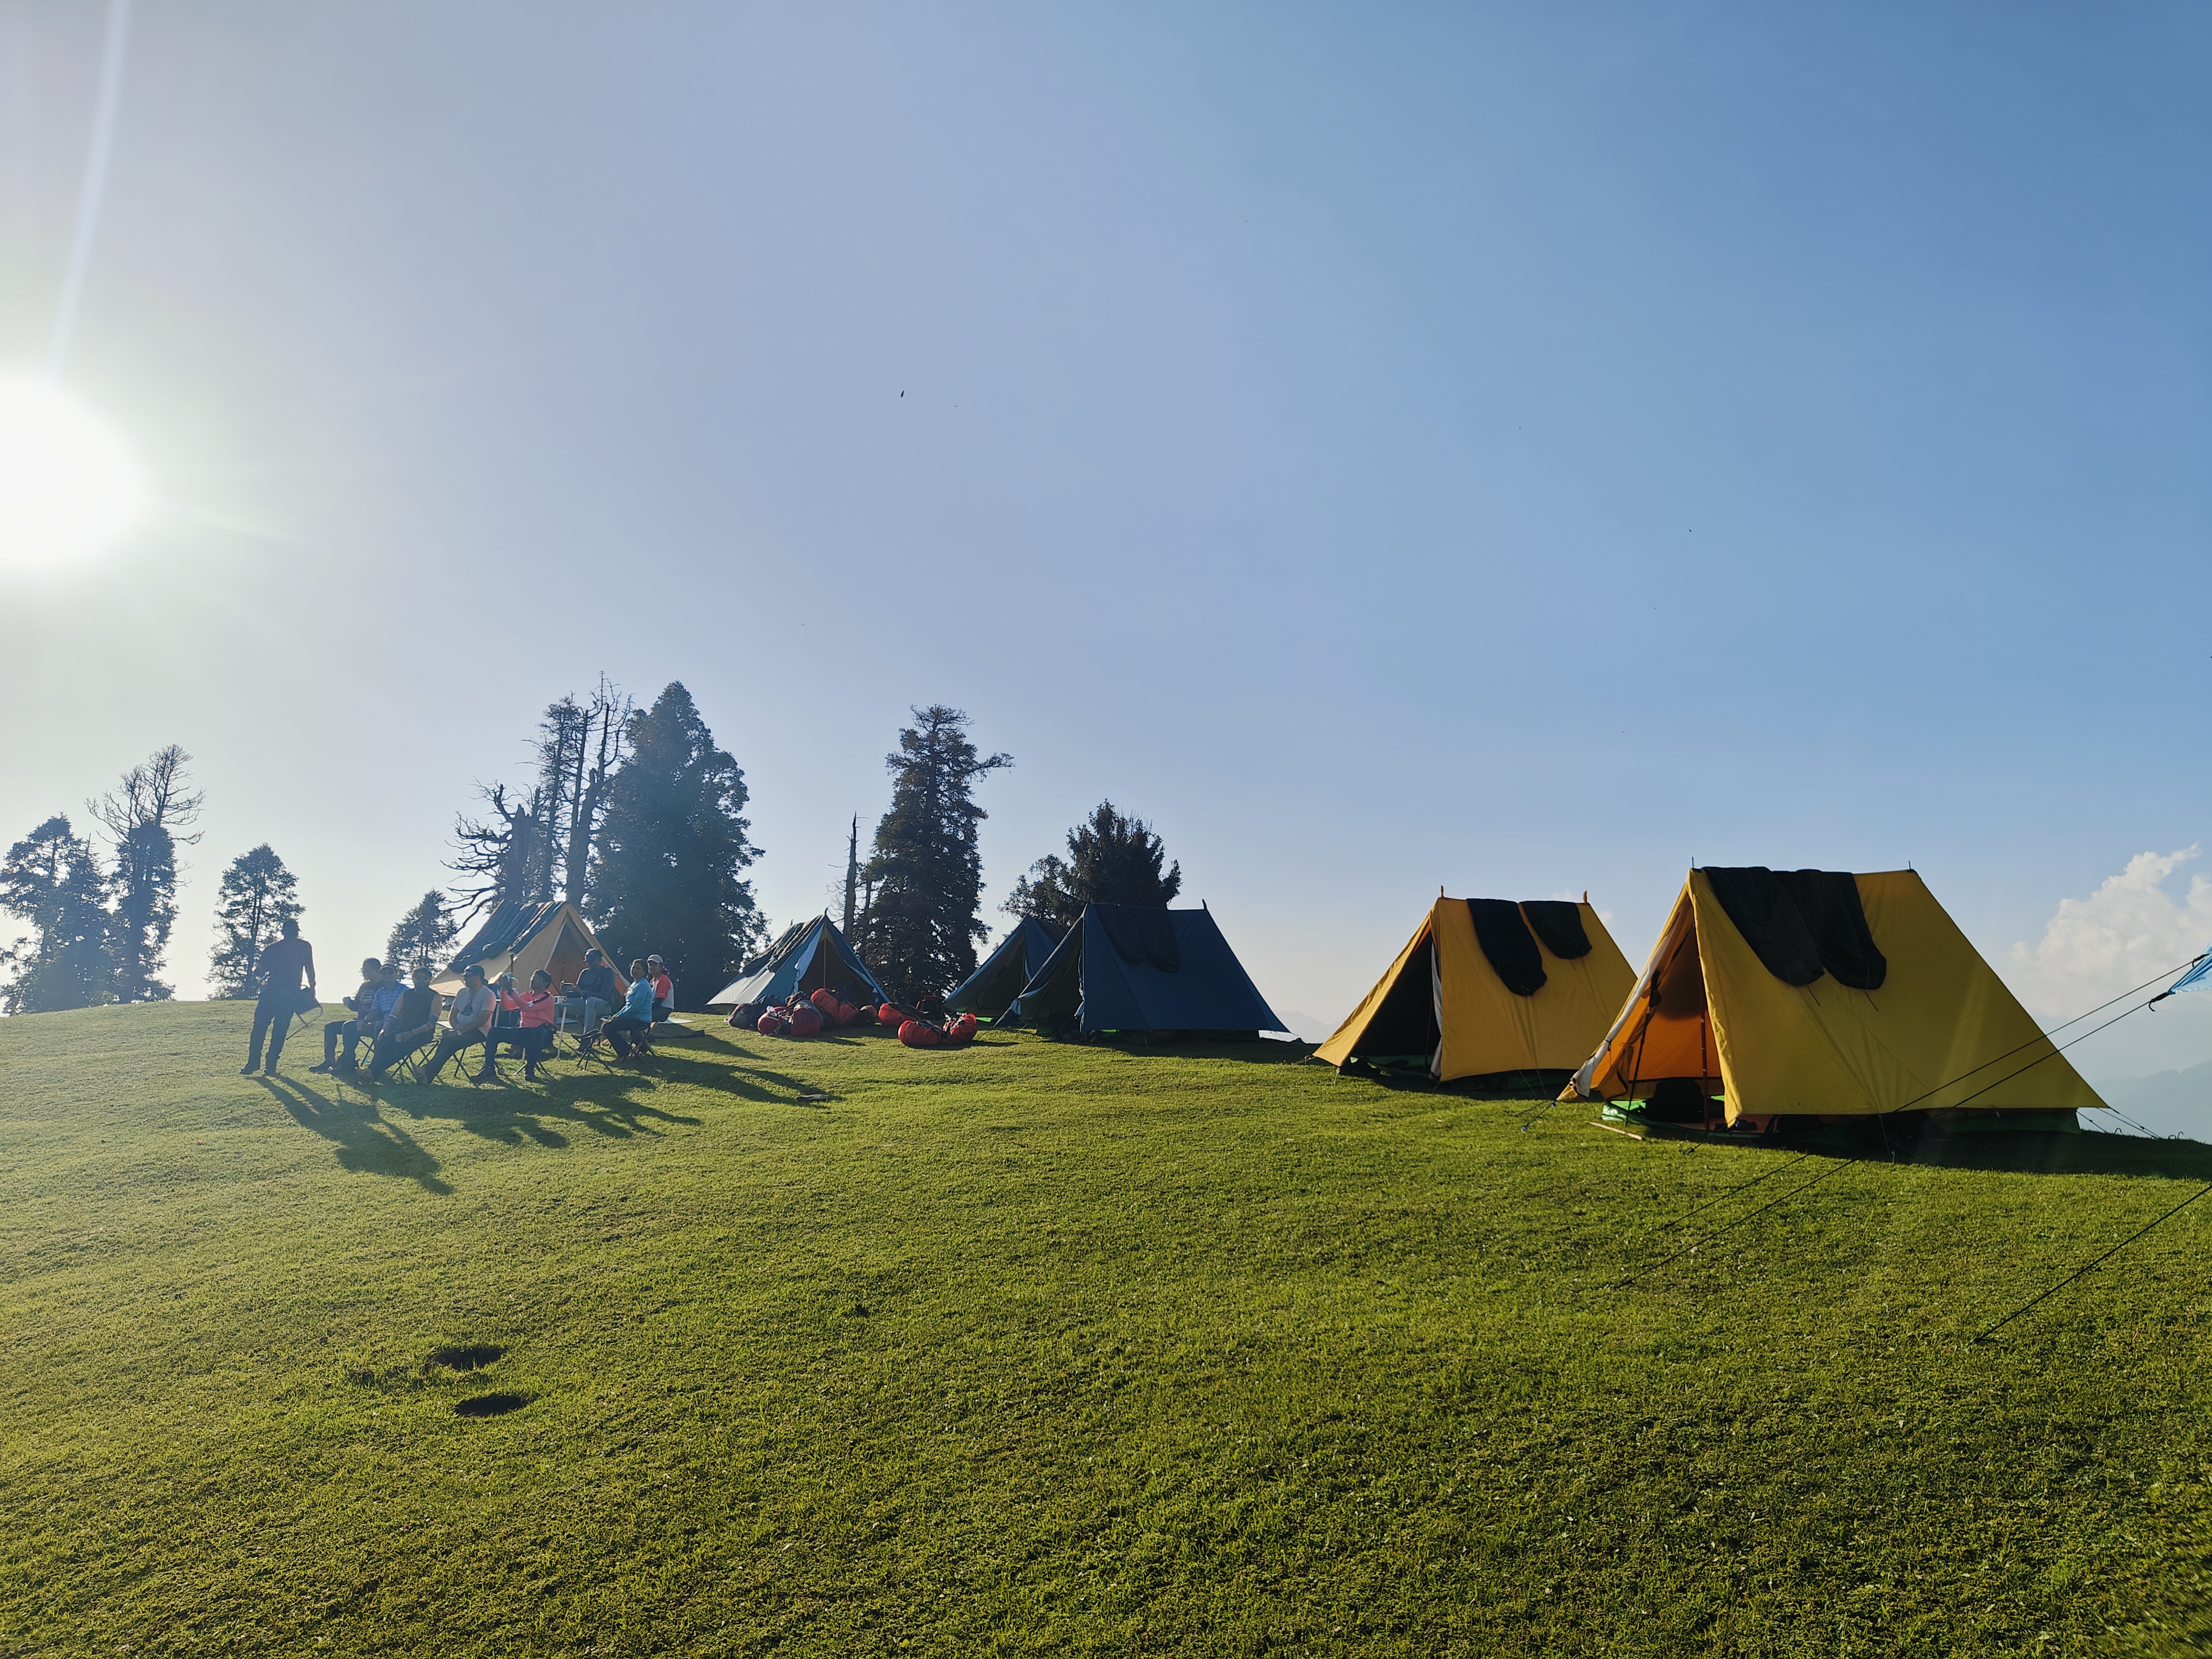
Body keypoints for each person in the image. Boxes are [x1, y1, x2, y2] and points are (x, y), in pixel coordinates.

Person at [243, 916, 317, 1075]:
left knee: (260, 1027)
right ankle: (271, 1065)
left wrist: (257, 971)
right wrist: (312, 987)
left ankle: (253, 1062)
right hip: (290, 993)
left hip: (271, 992)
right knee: (280, 1030)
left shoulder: (273, 949)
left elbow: (260, 971)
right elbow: (310, 968)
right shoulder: (304, 947)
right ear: (297, 932)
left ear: (283, 932)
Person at [313, 959, 400, 1074]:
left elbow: (385, 1009)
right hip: (361, 1020)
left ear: (376, 970)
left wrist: (369, 1022)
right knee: (331, 1027)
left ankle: (365, 1066)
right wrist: (350, 1003)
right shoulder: (364, 986)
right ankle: (330, 1061)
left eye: (366, 969)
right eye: (363, 969)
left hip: (378, 1023)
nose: (363, 972)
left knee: (351, 1027)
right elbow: (358, 1007)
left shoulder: (383, 986)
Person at [422, 963, 498, 1082]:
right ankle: (427, 1075)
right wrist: (456, 1027)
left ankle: (427, 1071)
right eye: (464, 976)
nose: (464, 979)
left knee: (451, 1040)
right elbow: (452, 1015)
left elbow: (482, 1020)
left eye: (467, 976)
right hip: (459, 1028)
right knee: (448, 1040)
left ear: (478, 977)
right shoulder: (462, 992)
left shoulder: (488, 995)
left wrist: (459, 1032)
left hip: (478, 1031)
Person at [364, 965, 441, 1082]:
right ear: (413, 979)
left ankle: (371, 1073)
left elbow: (431, 1023)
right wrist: (384, 1030)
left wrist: (411, 1034)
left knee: (401, 1046)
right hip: (402, 1029)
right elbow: (393, 1016)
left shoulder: (435, 997)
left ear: (429, 979)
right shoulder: (406, 994)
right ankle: (372, 1073)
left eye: (424, 979)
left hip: (422, 1034)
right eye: (418, 978)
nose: (420, 981)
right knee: (384, 1041)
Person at [480, 969, 558, 1082]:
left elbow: (527, 1007)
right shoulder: (527, 995)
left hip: (543, 1032)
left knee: (537, 1032)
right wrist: (504, 990)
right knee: (494, 1032)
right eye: (533, 977)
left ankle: (530, 1070)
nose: (533, 980)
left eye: (538, 978)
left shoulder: (547, 997)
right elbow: (507, 1007)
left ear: (545, 983)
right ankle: (489, 1068)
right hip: (525, 1031)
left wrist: (511, 991)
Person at [561, 948, 626, 1042]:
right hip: (586, 1004)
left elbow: (604, 995)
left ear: (599, 960)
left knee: (591, 1001)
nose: (589, 964)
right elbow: (578, 994)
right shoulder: (585, 973)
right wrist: (568, 992)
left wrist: (583, 993)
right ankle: (548, 1036)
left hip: (604, 1005)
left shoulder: (608, 972)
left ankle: (587, 1037)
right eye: (587, 962)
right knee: (558, 1002)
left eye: (591, 962)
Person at [599, 959, 657, 1058]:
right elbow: (627, 1006)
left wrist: (620, 1017)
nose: (635, 970)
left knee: (608, 1027)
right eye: (633, 967)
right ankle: (638, 1048)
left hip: (640, 1020)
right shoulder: (635, 984)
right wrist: (616, 1016)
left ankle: (624, 1052)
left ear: (644, 972)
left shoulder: (643, 985)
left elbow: (635, 1008)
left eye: (638, 969)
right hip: (634, 1018)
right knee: (607, 1023)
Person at [647, 955, 674, 1023]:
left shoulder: (663, 979)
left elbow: (658, 1002)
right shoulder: (652, 981)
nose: (652, 967)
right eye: (650, 965)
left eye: (655, 965)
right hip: (658, 1009)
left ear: (661, 967)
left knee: (641, 1016)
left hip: (663, 1010)